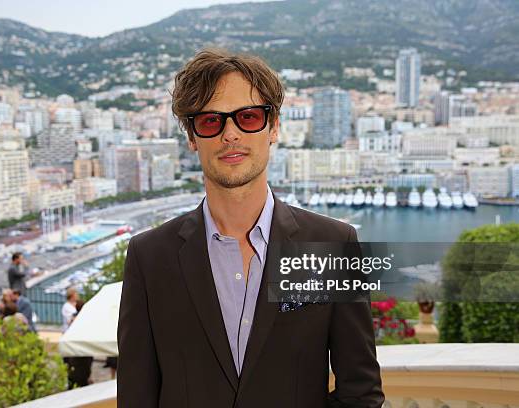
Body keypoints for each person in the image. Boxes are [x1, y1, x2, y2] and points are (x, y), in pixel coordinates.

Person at [117, 49, 384, 407]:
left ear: (273, 127)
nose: (231, 134)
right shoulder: (149, 258)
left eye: (248, 117)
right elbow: (136, 396)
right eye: (211, 121)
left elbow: (361, 393)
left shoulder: (333, 245)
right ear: (192, 137)